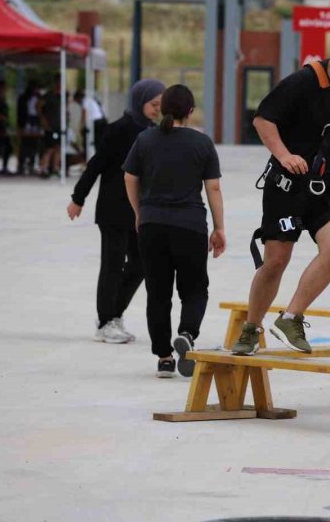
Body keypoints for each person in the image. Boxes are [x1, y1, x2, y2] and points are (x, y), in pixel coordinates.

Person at [232, 16, 330, 355]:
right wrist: (284, 155)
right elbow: (262, 119)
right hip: (288, 184)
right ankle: (250, 327)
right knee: (276, 260)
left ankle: (291, 317)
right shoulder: (302, 82)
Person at [122, 84, 225, 378]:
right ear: (190, 112)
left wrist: (139, 212)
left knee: (158, 293)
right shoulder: (201, 143)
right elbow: (213, 187)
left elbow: (130, 177)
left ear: (162, 108)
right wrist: (219, 228)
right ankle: (187, 333)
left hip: (152, 225)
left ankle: (164, 358)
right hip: (189, 226)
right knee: (194, 289)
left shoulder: (145, 139)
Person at [67, 79, 165, 343]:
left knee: (141, 263)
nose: (158, 109)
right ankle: (105, 322)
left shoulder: (153, 132)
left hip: (138, 211)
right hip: (113, 210)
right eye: (153, 104)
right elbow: (95, 165)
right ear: (139, 100)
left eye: (160, 105)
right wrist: (78, 198)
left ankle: (113, 315)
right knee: (112, 266)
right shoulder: (119, 130)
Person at [39, 75, 64, 178]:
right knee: (49, 148)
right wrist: (43, 120)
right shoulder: (48, 96)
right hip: (50, 125)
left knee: (58, 147)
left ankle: (55, 168)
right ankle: (43, 169)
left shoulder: (62, 96)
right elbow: (39, 106)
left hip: (59, 126)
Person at [16, 81, 41, 175]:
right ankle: (21, 165)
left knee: (34, 145)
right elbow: (20, 113)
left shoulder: (38, 98)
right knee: (24, 145)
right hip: (26, 122)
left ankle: (31, 164)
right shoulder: (23, 99)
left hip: (34, 122)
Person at [73, 89, 107, 159]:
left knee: (87, 139)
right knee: (99, 142)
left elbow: (84, 114)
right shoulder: (91, 100)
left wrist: (81, 126)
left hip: (96, 123)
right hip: (102, 121)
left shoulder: (85, 101)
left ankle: (87, 157)